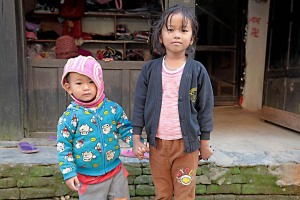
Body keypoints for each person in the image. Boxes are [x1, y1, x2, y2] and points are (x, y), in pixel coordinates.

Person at [132, 4, 214, 200]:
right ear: (160, 37)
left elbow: (205, 108)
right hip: (157, 145)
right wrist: (136, 139)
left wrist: (205, 142)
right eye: (170, 29)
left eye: (183, 30)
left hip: (187, 146)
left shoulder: (197, 70)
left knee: (184, 194)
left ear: (192, 38)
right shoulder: (150, 70)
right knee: (163, 193)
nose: (177, 35)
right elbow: (139, 105)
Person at [56, 55, 148, 200]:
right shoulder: (69, 117)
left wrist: (137, 143)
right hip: (88, 178)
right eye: (79, 83)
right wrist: (68, 173)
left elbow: (125, 129)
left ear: (99, 82)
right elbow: (64, 147)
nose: (86, 88)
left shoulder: (112, 109)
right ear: (69, 88)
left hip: (115, 172)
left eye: (91, 82)